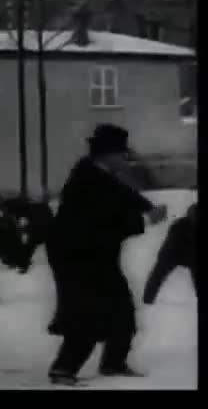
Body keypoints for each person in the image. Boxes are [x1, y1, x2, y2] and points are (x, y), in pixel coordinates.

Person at [46, 124, 167, 386]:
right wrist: (144, 222)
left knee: (121, 309)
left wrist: (147, 207)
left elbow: (124, 195)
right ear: (106, 154)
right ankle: (64, 369)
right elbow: (105, 219)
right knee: (86, 312)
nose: (126, 158)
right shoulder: (87, 181)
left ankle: (113, 362)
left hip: (94, 255)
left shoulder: (98, 174)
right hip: (77, 257)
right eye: (121, 153)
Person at [143, 202, 197, 304]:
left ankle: (147, 299)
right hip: (173, 254)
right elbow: (169, 247)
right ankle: (147, 300)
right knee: (158, 274)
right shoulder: (179, 226)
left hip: (192, 255)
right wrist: (164, 260)